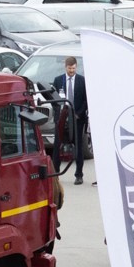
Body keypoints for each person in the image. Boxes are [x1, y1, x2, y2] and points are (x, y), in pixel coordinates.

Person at [57, 56, 88, 184]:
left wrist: (78, 114)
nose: (71, 71)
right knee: (57, 146)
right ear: (65, 67)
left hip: (77, 119)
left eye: (73, 68)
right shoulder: (59, 80)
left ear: (76, 67)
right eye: (69, 68)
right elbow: (54, 99)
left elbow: (86, 100)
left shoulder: (82, 81)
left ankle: (79, 175)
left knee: (78, 147)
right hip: (63, 118)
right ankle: (55, 175)